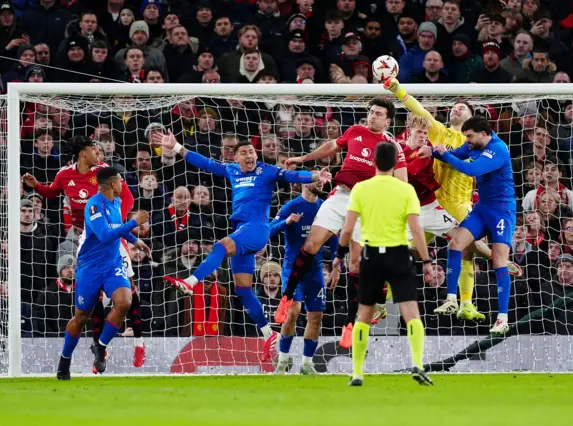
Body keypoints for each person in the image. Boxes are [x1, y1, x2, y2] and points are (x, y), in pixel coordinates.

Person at [152, 132, 331, 361]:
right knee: (243, 290)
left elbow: (291, 174)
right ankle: (269, 334)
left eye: (252, 152)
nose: (249, 155)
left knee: (220, 246)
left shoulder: (266, 171)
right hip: (242, 229)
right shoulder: (232, 170)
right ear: (235, 157)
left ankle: (190, 282)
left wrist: (315, 174)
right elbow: (204, 162)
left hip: (257, 229)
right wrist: (176, 146)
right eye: (244, 153)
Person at [273, 97, 408, 347]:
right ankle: (286, 298)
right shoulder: (355, 131)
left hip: (366, 205)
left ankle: (349, 325)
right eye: (371, 112)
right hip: (340, 195)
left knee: (355, 265)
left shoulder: (392, 147)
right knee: (311, 245)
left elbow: (402, 183)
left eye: (378, 113)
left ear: (388, 120)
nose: (372, 116)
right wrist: (303, 159)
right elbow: (330, 147)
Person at [385, 78, 521, 321]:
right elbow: (419, 110)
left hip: (459, 202)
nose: (456, 108)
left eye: (462, 108)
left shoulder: (476, 143)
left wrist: (443, 154)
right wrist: (398, 90)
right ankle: (382, 301)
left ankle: (466, 303)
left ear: (471, 120)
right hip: (430, 203)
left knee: (465, 248)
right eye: (454, 107)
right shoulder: (439, 132)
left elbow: (474, 167)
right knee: (403, 251)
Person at [22, 136, 148, 367]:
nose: (98, 153)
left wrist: (119, 224)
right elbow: (52, 192)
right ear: (82, 153)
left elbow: (126, 198)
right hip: (86, 238)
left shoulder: (105, 174)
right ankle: (97, 349)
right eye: (93, 149)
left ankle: (136, 343)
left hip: (111, 234)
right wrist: (37, 187)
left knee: (128, 293)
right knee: (90, 304)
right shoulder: (64, 175)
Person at [337, 142, 433, 387]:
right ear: (395, 164)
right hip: (399, 255)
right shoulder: (406, 190)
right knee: (411, 312)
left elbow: (347, 229)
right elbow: (415, 228)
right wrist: (427, 260)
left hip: (371, 256)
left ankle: (357, 372)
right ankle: (418, 364)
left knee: (364, 314)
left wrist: (339, 255)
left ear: (373, 162)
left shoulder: (361, 188)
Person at [56, 167, 151, 380]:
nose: (123, 186)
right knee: (81, 318)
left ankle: (100, 346)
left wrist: (137, 240)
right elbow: (105, 235)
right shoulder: (93, 206)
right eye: (120, 182)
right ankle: (64, 360)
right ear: (112, 184)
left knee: (125, 301)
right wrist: (134, 222)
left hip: (112, 265)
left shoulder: (116, 203)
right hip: (90, 268)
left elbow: (119, 227)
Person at [432, 116, 517, 334]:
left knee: (499, 261)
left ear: (484, 134)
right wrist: (431, 151)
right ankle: (451, 298)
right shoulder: (473, 144)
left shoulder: (498, 149)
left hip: (501, 212)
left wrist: (444, 154)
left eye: (469, 136)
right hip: (482, 209)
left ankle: (502, 318)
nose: (467, 140)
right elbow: (457, 154)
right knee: (456, 244)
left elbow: (471, 170)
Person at [270, 180, 337, 375]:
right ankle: (283, 360)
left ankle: (307, 364)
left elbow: (333, 239)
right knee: (293, 312)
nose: (322, 184)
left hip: (314, 272)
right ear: (304, 184)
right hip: (292, 270)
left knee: (316, 317)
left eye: (324, 181)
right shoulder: (291, 207)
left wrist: (335, 265)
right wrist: (286, 222)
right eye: (317, 180)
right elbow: (269, 230)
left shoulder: (326, 207)